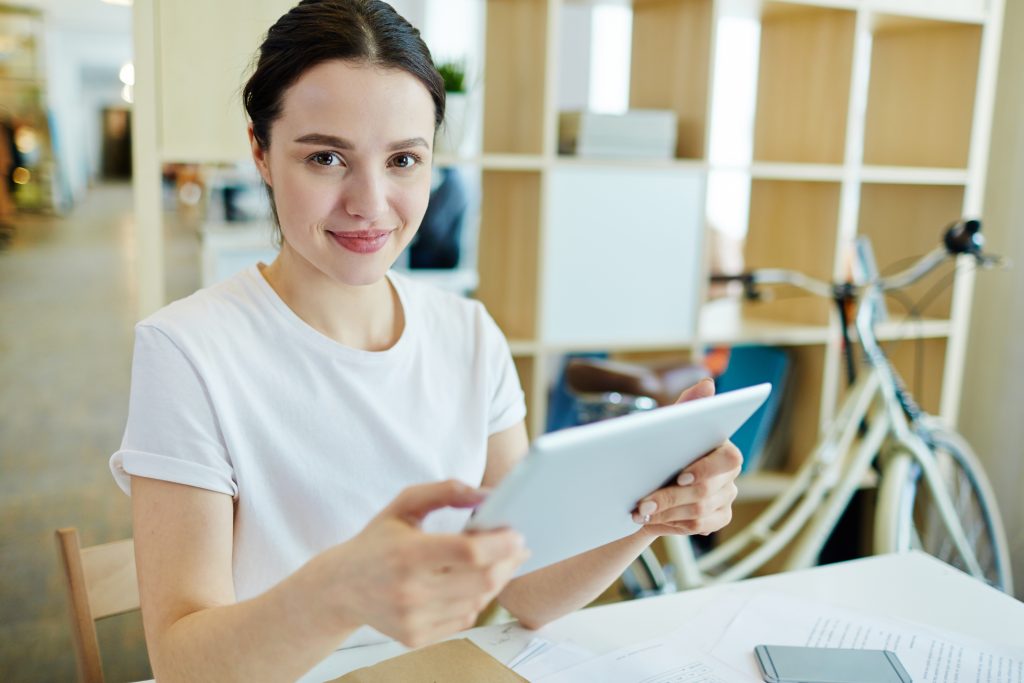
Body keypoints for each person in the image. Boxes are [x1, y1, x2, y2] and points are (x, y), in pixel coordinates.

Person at [110, 1, 743, 680]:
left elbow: (529, 588)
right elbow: (180, 662)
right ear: (261, 153)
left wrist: (653, 510)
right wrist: (342, 588)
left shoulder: (468, 334)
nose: (371, 202)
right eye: (327, 157)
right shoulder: (187, 351)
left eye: (404, 160)